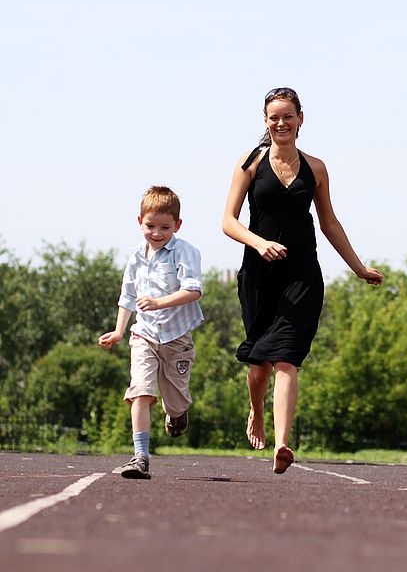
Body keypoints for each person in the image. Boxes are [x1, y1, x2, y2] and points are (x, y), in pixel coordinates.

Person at [222, 87, 383, 474]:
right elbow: (227, 221)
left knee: (287, 360)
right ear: (265, 120)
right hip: (259, 276)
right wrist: (259, 244)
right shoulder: (249, 162)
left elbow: (329, 223)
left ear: (300, 120)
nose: (281, 123)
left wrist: (358, 268)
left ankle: (282, 444)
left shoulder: (317, 168)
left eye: (288, 116)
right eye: (274, 117)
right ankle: (256, 411)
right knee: (259, 366)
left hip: (302, 275)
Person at [98, 186, 204, 479]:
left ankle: (177, 413)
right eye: (150, 226)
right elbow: (127, 297)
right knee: (140, 391)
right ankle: (140, 456)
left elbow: (193, 290)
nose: (157, 233)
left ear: (177, 225)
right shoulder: (135, 257)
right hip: (143, 334)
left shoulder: (185, 252)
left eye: (165, 227)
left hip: (176, 337)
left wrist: (158, 302)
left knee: (176, 397)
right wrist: (119, 331)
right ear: (139, 222)